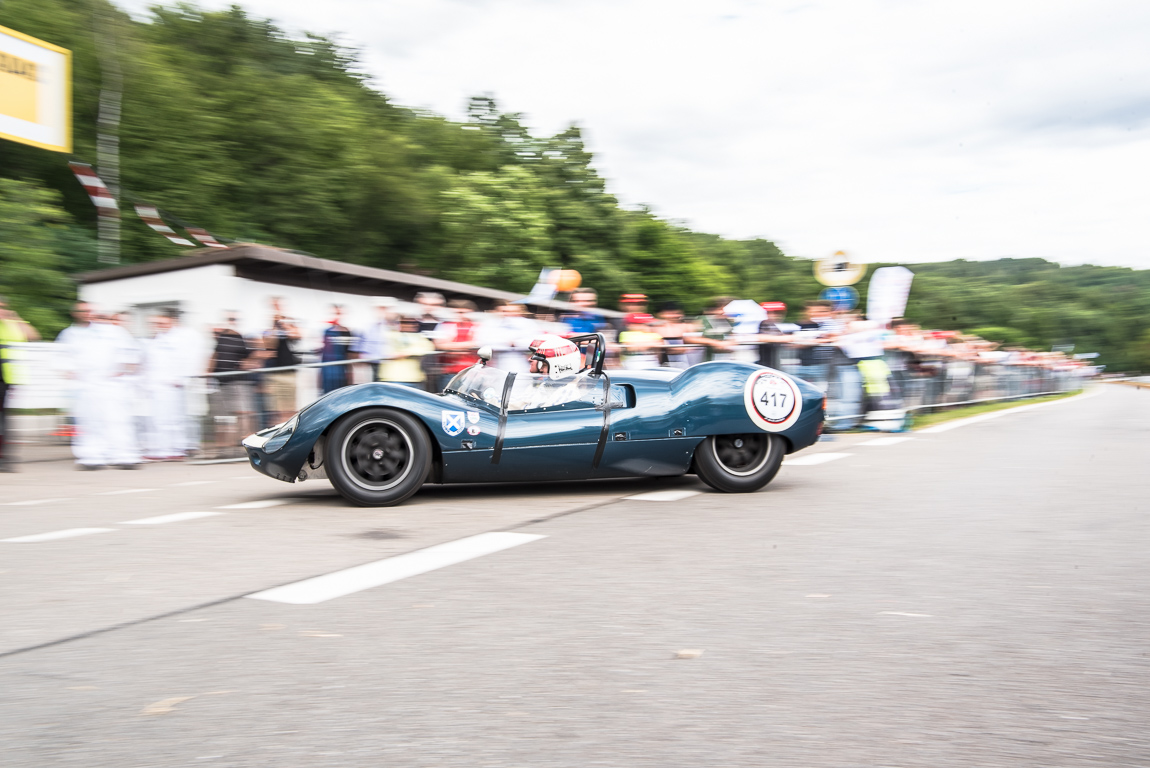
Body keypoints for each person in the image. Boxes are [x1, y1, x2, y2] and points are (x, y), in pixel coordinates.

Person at [0, 295, 39, 471]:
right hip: (6, 376)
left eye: (2, 307)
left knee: (4, 418)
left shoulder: (12, 323)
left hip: (7, 377)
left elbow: (33, 335)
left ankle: (6, 457)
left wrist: (16, 318)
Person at [206, 312, 252, 457]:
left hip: (236, 382)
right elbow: (215, 357)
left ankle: (244, 447)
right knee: (223, 418)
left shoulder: (237, 337)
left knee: (241, 414)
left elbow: (249, 357)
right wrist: (208, 375)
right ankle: (225, 449)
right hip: (222, 383)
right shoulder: (220, 341)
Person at [506, 335, 593, 410]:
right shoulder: (546, 386)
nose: (530, 359)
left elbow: (536, 416)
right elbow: (520, 405)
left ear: (558, 366)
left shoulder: (566, 394)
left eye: (544, 365)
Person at [263, 298, 301, 424]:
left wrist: (284, 323)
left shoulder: (289, 326)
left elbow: (296, 335)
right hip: (275, 373)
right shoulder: (270, 330)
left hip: (290, 372)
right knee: (277, 409)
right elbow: (270, 344)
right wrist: (274, 324)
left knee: (290, 407)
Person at [476, 300, 538, 373]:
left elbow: (534, 342)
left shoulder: (529, 324)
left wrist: (515, 343)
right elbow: (483, 341)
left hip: (521, 362)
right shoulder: (490, 324)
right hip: (495, 362)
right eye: (505, 311)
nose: (509, 314)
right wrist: (508, 343)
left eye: (513, 311)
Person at [432, 300, 479, 392]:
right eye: (456, 313)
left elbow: (480, 343)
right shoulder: (445, 325)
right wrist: (469, 345)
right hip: (449, 372)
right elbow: (438, 344)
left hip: (473, 372)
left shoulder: (477, 326)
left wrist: (451, 345)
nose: (459, 315)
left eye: (463, 312)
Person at [380, 316, 436, 388]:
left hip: (415, 378)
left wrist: (405, 353)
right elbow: (386, 353)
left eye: (414, 323)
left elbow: (428, 347)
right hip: (393, 378)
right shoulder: (390, 335)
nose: (412, 325)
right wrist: (411, 351)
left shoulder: (418, 336)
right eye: (406, 323)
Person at [354, 297, 395, 381]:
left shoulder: (393, 325)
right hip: (374, 361)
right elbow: (362, 343)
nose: (383, 311)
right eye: (380, 308)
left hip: (389, 362)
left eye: (385, 308)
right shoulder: (368, 325)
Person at [319, 304, 357, 394]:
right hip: (328, 370)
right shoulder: (325, 332)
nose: (337, 316)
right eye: (335, 313)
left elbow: (349, 354)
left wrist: (350, 375)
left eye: (339, 313)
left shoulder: (347, 332)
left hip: (341, 370)